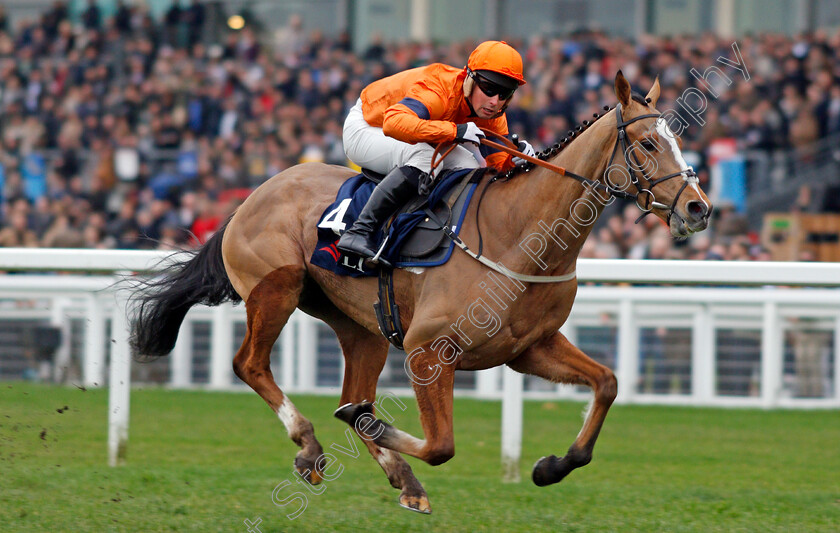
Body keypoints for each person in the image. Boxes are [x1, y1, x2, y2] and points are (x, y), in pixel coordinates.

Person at [337, 40, 535, 266]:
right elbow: (393, 123)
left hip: (406, 135)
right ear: (470, 78)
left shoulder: (493, 114)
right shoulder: (439, 89)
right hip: (367, 126)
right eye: (489, 89)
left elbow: (498, 168)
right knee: (424, 157)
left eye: (504, 94)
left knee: (468, 165)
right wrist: (455, 131)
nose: (494, 101)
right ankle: (359, 232)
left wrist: (518, 159)